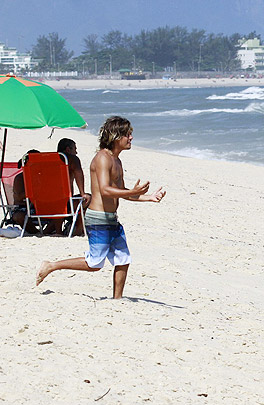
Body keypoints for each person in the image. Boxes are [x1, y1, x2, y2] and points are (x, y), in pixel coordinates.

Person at [36, 116, 166, 299]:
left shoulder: (117, 161)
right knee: (94, 264)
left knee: (123, 260)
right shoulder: (102, 158)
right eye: (127, 134)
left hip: (112, 219)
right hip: (98, 219)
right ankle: (51, 265)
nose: (131, 138)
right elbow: (105, 190)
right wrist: (132, 192)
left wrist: (148, 197)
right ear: (115, 136)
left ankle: (117, 300)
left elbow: (120, 191)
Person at [57, 138, 91, 235]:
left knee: (59, 203)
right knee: (89, 199)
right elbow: (78, 173)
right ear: (68, 150)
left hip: (42, 206)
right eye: (75, 149)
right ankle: (79, 229)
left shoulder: (46, 161)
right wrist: (82, 193)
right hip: (65, 205)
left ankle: (58, 230)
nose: (76, 152)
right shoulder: (72, 159)